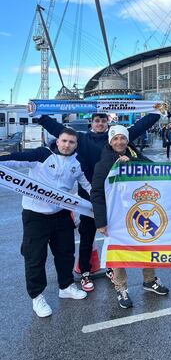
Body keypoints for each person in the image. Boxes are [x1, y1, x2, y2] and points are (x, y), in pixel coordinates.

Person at [38, 112, 161, 292]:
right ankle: (85, 272)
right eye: (97, 121)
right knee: (87, 235)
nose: (100, 124)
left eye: (104, 121)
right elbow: (60, 131)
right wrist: (42, 117)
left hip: (118, 199)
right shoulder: (82, 139)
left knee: (115, 236)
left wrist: (156, 112)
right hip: (90, 197)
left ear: (108, 123)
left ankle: (113, 268)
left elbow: (140, 127)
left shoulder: (117, 138)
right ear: (92, 123)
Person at [0, 128, 90, 317]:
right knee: (35, 257)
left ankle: (65, 286)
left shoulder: (78, 163)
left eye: (71, 142)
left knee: (66, 253)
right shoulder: (41, 155)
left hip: (61, 214)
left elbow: (88, 186)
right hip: (35, 216)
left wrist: (104, 204)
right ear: (57, 141)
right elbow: (15, 159)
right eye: (64, 141)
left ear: (76, 144)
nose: (67, 145)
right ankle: (37, 296)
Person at [91, 125, 169, 309]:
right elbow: (96, 193)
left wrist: (133, 164)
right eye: (115, 139)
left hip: (139, 213)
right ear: (110, 141)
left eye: (122, 138)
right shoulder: (103, 163)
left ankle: (149, 281)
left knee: (147, 245)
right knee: (118, 252)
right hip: (115, 216)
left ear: (127, 140)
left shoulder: (135, 155)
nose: (119, 142)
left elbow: (153, 168)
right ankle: (121, 288)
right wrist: (101, 222)